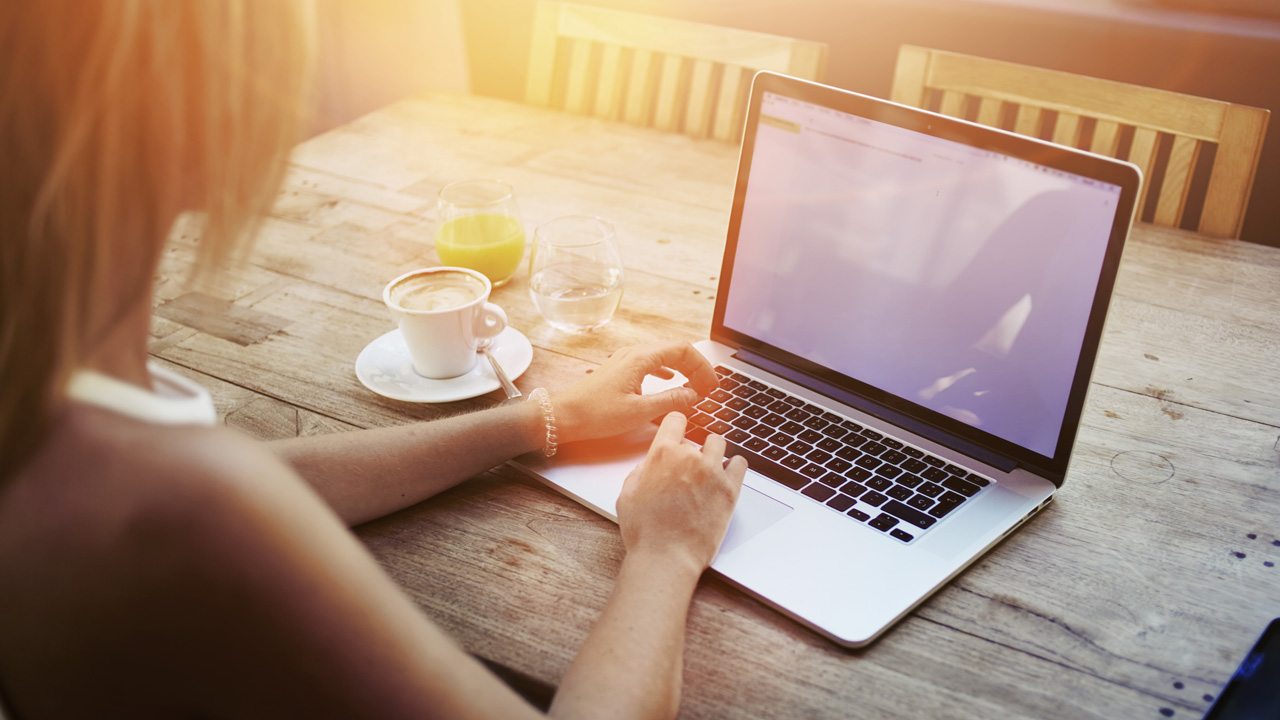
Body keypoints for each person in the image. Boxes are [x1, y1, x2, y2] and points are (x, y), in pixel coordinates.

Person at [0, 2, 747, 718]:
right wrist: (668, 552)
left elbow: (264, 479)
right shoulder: (181, 508)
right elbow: (223, 501)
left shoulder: (58, 396)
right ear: (183, 111)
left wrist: (542, 420)